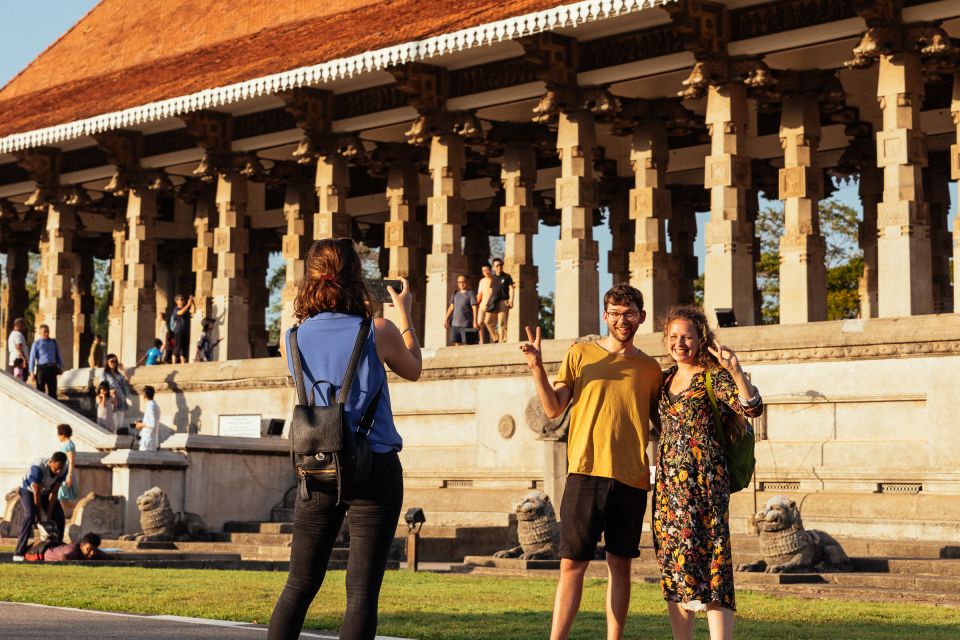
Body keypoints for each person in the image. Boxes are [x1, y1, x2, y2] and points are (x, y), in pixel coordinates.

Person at [267, 237, 422, 640]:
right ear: (357, 276)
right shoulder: (379, 330)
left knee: (299, 585)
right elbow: (414, 368)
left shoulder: (292, 338)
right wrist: (404, 313)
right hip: (374, 464)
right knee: (361, 592)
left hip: (316, 465)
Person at [519, 283, 662, 640]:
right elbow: (553, 410)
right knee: (572, 565)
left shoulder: (650, 368)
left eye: (629, 313)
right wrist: (536, 366)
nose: (622, 320)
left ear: (641, 317)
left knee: (621, 566)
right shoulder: (580, 354)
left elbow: (663, 423)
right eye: (614, 313)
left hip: (632, 477)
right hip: (585, 473)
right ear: (605, 316)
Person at [654, 305, 764, 640]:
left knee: (714, 562)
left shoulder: (713, 376)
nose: (680, 343)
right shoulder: (664, 378)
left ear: (701, 338)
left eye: (687, 336)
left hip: (704, 483)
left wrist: (736, 371)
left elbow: (753, 408)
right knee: (674, 564)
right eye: (673, 337)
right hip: (669, 486)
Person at [13, 451, 67, 562]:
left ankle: (58, 547)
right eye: (56, 468)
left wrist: (49, 517)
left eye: (60, 469)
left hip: (45, 491)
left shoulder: (64, 469)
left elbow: (54, 493)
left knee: (59, 517)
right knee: (30, 516)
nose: (58, 471)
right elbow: (36, 494)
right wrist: (40, 520)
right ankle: (19, 552)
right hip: (28, 490)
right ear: (50, 462)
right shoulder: (38, 468)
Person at [483, 257, 515, 344]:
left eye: (500, 265)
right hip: (493, 302)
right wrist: (486, 302)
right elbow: (491, 291)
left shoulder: (507, 276)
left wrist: (511, 300)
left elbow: (511, 288)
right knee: (487, 321)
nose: (499, 267)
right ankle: (495, 337)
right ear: (493, 267)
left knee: (502, 322)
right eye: (496, 266)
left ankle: (502, 341)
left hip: (503, 301)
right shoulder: (493, 278)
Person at [28, 324, 63, 398]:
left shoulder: (53, 342)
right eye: (44, 332)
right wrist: (31, 372)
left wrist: (60, 366)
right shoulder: (36, 344)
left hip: (52, 368)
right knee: (40, 390)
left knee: (53, 391)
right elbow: (32, 358)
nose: (46, 334)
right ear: (40, 333)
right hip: (42, 369)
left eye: (47, 331)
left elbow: (58, 355)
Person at [443, 274, 478, 346]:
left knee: (468, 345)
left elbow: (474, 308)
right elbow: (451, 307)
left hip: (467, 324)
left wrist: (475, 321)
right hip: (455, 324)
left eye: (463, 282)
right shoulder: (455, 293)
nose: (461, 284)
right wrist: (446, 319)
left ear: (468, 282)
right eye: (459, 282)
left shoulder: (470, 293)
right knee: (457, 345)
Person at [24, 532, 108, 562]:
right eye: (89, 549)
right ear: (82, 545)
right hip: (38, 552)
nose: (92, 553)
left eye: (94, 550)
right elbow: (64, 558)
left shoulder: (90, 550)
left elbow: (107, 557)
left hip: (56, 545)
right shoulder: (73, 550)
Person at [99, 354, 130, 433]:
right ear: (107, 362)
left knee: (120, 424)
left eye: (115, 361)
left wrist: (124, 370)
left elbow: (127, 381)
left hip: (121, 401)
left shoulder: (118, 374)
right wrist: (110, 392)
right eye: (111, 361)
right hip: (112, 401)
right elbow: (101, 388)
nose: (114, 363)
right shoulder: (104, 374)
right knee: (113, 424)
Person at [56, 424, 79, 508]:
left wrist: (69, 475)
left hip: (66, 473)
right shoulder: (66, 444)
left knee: (61, 495)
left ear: (63, 434)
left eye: (58, 434)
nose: (58, 436)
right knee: (61, 496)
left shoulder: (69, 445)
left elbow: (71, 461)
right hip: (63, 473)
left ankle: (77, 508)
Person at [133, 385, 161, 451]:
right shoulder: (155, 406)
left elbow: (152, 424)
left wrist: (140, 425)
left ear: (145, 395)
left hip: (148, 442)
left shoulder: (150, 407)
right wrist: (141, 423)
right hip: (150, 440)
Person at [170, 294, 195, 364]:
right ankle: (174, 364)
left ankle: (183, 364)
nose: (183, 300)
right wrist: (188, 305)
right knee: (177, 347)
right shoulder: (176, 309)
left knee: (184, 348)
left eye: (183, 299)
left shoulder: (186, 309)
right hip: (179, 331)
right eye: (181, 299)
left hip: (186, 330)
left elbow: (193, 311)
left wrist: (192, 302)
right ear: (177, 301)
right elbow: (180, 313)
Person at [475, 263, 493, 344]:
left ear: (490, 269)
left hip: (492, 305)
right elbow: (480, 293)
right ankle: (481, 341)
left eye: (487, 270)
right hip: (482, 305)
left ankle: (492, 340)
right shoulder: (482, 281)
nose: (485, 272)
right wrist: (475, 302)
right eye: (483, 271)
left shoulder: (494, 279)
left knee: (489, 323)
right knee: (479, 322)